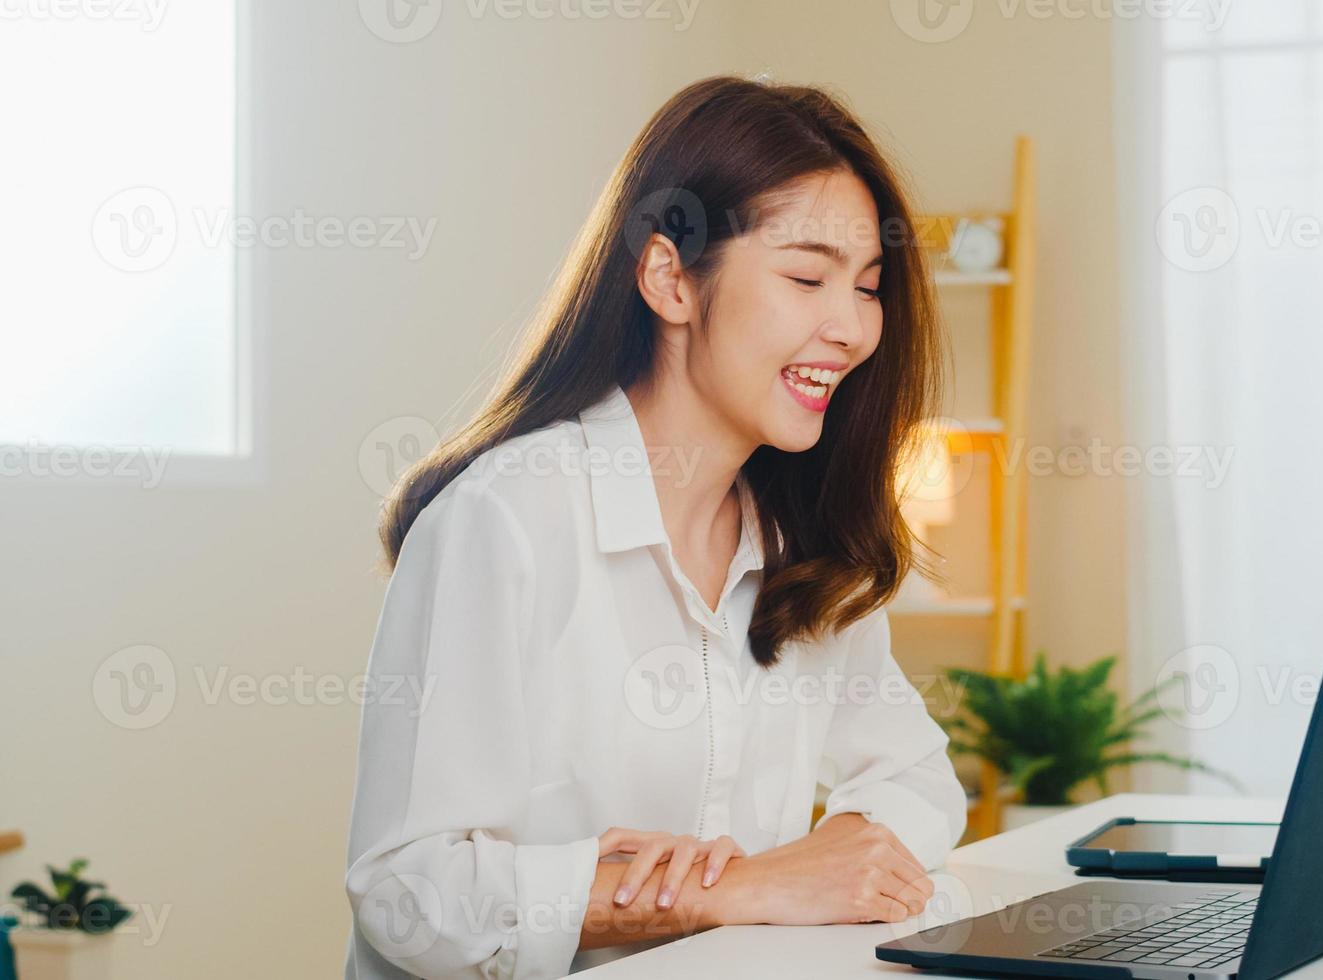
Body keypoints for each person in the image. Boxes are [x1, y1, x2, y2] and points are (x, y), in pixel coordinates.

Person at [343, 74, 968, 979]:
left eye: (868, 288)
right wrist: (732, 890)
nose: (853, 328)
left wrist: (838, 859)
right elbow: (407, 891)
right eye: (806, 277)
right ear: (669, 277)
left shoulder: (802, 541)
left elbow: (916, 777)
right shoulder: (502, 523)